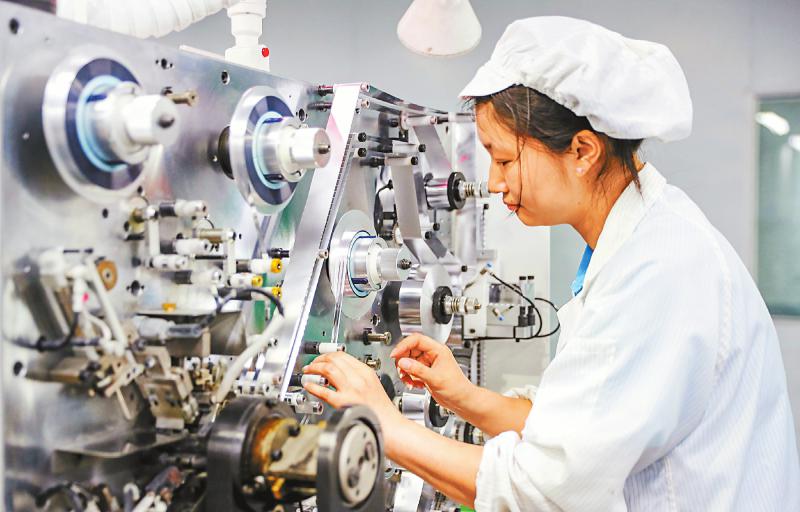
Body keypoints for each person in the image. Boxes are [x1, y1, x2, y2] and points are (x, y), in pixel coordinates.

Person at [303, 16, 800, 511]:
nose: (494, 183)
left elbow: (544, 488)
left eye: (504, 159)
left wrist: (382, 424)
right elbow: (582, 434)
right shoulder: (639, 243)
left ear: (582, 151)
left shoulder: (659, 269)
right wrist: (465, 398)